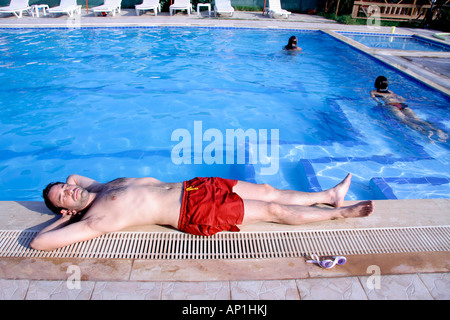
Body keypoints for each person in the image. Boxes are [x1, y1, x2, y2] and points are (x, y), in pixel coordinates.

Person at [31, 174, 374, 251]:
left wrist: (66, 192)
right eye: (63, 196)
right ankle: (340, 215)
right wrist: (60, 220)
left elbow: (75, 177)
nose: (69, 189)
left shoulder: (99, 187)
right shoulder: (97, 218)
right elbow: (39, 244)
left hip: (196, 185)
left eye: (63, 186)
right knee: (272, 209)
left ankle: (330, 195)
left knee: (269, 190)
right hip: (195, 209)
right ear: (65, 210)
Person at [370, 76, 448, 142]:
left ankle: (424, 132)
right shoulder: (391, 91)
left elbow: (378, 102)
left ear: (376, 84)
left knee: (404, 121)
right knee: (416, 119)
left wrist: (380, 105)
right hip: (401, 105)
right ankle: (436, 129)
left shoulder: (373, 92)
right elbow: (401, 99)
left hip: (391, 106)